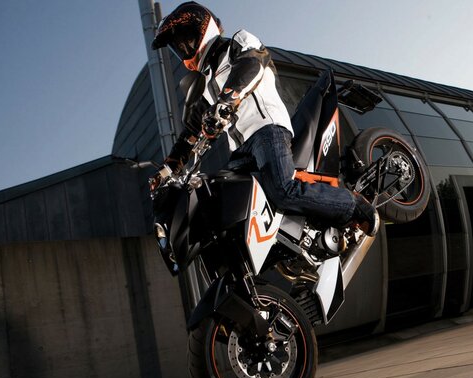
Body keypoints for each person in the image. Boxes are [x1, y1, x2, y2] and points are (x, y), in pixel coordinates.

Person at [149, 1, 378, 236]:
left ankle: (354, 206)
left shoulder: (238, 43)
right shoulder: (208, 86)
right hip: (240, 152)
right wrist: (167, 169)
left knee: (282, 190)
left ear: (202, 30)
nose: (181, 48)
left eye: (183, 39)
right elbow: (191, 131)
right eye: (176, 47)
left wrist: (226, 101)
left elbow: (251, 66)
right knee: (229, 208)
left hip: (266, 130)